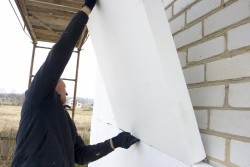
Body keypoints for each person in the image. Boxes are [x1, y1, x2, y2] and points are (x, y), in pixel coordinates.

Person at [11, 1, 139, 166]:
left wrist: (115, 142)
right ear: (54, 86)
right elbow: (60, 53)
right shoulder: (37, 97)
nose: (67, 93)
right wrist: (85, 10)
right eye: (65, 88)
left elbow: (80, 155)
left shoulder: (65, 120)